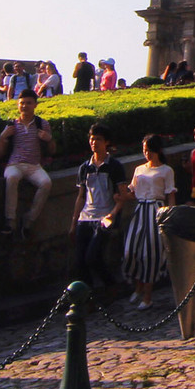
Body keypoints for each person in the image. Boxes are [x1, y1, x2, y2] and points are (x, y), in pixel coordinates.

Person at [120, 136, 174, 309]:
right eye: (144, 150)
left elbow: (170, 195)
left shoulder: (166, 171)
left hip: (156, 209)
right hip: (140, 210)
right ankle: (138, 285)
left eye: (149, 150)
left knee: (150, 254)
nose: (146, 153)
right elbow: (132, 191)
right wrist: (122, 195)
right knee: (131, 249)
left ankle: (148, 296)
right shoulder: (139, 169)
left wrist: (170, 215)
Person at [72, 124, 125, 295]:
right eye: (92, 139)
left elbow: (122, 195)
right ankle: (87, 296)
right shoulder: (84, 168)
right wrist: (74, 222)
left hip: (105, 216)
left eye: (98, 139)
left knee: (93, 257)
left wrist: (113, 214)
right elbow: (81, 196)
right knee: (79, 261)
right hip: (85, 216)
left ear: (106, 142)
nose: (94, 142)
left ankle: (111, 285)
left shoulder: (114, 166)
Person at [0, 90, 55, 238]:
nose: (25, 106)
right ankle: (10, 220)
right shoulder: (11, 125)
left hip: (34, 166)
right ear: (18, 105)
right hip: (14, 164)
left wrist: (48, 139)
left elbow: (53, 150)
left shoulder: (42, 124)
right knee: (12, 178)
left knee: (46, 183)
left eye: (28, 103)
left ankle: (29, 220)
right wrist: (3, 137)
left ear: (35, 105)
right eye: (22, 103)